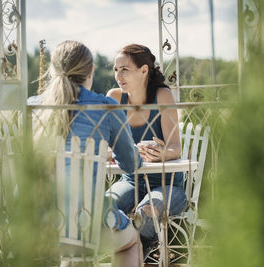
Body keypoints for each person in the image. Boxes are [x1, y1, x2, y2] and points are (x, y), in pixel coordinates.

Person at [33, 40, 143, 267]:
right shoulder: (106, 108)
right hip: (87, 221)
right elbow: (132, 164)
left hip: (36, 219)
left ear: (52, 71)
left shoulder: (32, 108)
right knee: (132, 242)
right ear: (91, 71)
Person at [106, 44, 187, 259]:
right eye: (116, 69)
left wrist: (161, 153)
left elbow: (175, 148)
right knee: (105, 206)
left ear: (144, 70)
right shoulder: (115, 98)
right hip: (131, 182)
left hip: (167, 184)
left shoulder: (162, 96)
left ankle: (136, 255)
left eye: (124, 69)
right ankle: (130, 254)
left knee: (147, 211)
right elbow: (105, 147)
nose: (118, 76)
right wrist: (113, 151)